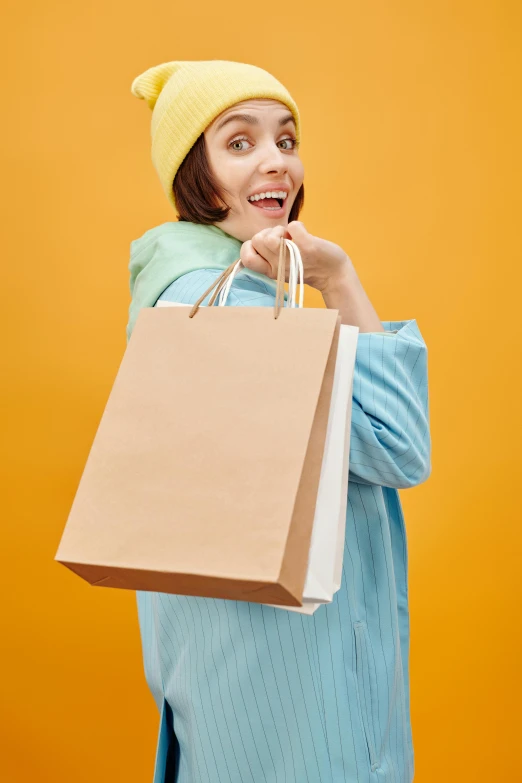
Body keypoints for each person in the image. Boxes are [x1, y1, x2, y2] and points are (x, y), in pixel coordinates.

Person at [128, 59, 431, 783]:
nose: (277, 162)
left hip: (235, 673)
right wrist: (341, 278)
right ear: (192, 171)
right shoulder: (225, 311)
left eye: (287, 139)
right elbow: (399, 447)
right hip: (293, 689)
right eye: (239, 142)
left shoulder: (182, 301)